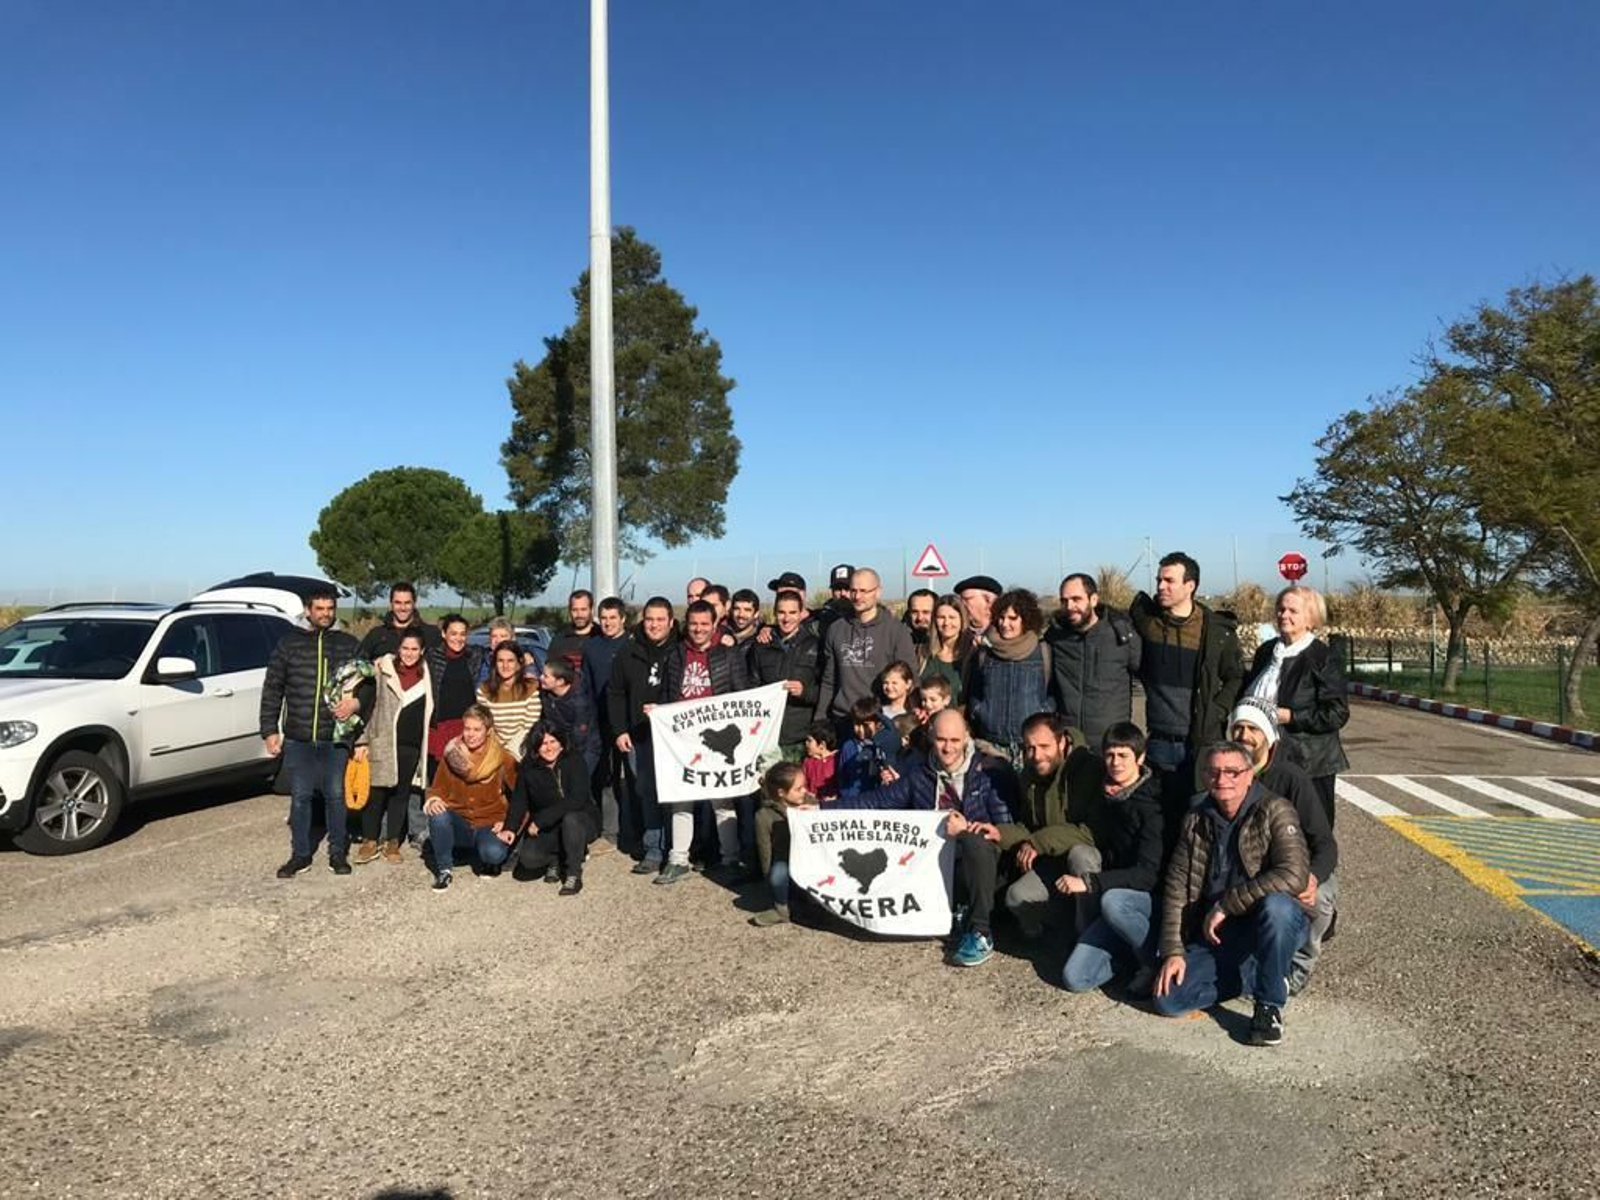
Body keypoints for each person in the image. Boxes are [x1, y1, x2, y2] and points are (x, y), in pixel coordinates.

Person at [827, 709, 1015, 968]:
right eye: (941, 740)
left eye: (954, 741)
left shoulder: (989, 773)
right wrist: (819, 809)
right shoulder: (921, 775)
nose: (947, 748)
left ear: (967, 738)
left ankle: (981, 932)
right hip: (943, 869)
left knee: (974, 842)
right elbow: (876, 802)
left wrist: (967, 828)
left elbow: (1007, 830)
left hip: (988, 867)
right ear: (930, 737)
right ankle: (956, 911)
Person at [1152, 741, 1309, 1047]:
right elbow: (1176, 888)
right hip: (1222, 935)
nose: (1222, 779)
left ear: (1250, 775)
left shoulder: (1275, 809)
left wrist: (1227, 903)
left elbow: (1294, 874)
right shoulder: (1197, 819)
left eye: (1233, 772)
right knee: (1168, 1001)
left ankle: (1269, 1005)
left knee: (1277, 907)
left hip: (1272, 924)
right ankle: (1264, 972)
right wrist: (1173, 950)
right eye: (1214, 772)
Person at [1227, 697, 1339, 997]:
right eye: (1238, 728)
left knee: (1320, 898)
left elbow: (1325, 844)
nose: (1244, 736)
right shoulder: (1225, 773)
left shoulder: (1292, 779)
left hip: (1293, 868)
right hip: (1247, 870)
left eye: (1254, 729)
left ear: (1269, 735)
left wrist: (1313, 876)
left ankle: (1299, 967)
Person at [261, 586, 365, 878]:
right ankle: (300, 854)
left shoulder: (348, 644)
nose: (325, 614)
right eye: (319, 609)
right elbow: (272, 688)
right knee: (301, 797)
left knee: (335, 795)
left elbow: (368, 685)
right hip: (299, 737)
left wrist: (356, 703)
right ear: (308, 611)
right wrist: (269, 730)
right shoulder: (289, 644)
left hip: (335, 737)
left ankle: (337, 854)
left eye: (330, 609)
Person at [1128, 552, 1244, 809]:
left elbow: (1235, 677)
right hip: (1158, 743)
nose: (1160, 586)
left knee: (1201, 824)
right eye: (1159, 580)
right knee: (1161, 825)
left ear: (1190, 586)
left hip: (1202, 744)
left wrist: (1218, 710)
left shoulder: (1216, 632)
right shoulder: (1147, 622)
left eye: (1169, 580)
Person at [1060, 723, 1167, 993]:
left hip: (1144, 901)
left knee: (1113, 902)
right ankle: (1126, 957)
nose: (1115, 763)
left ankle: (1153, 961)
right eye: (1110, 755)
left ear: (1140, 759)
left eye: (1123, 756)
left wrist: (1091, 882)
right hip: (1114, 895)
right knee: (1075, 979)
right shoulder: (1105, 793)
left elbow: (1147, 874)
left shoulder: (1153, 805)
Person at [656, 599, 750, 885]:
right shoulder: (675, 655)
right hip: (683, 741)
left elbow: (742, 696)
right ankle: (678, 860)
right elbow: (667, 694)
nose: (698, 629)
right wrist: (658, 713)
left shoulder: (729, 656)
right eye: (694, 624)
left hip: (717, 742)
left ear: (714, 625)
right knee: (680, 801)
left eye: (704, 624)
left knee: (722, 801)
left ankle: (730, 859)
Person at [1241, 584, 1350, 829]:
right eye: (1280, 609)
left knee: (1309, 828)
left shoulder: (1322, 657)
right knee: (1268, 826)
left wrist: (1291, 716)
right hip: (1265, 757)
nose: (1284, 615)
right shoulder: (1267, 652)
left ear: (1311, 618)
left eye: (1293, 610)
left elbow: (1337, 712)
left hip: (1309, 761)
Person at [997, 713, 1102, 938]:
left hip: (1092, 859)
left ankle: (1091, 935)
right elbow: (1030, 827)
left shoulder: (1088, 768)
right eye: (1030, 748)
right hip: (1054, 860)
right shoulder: (1030, 773)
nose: (1036, 755)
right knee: (1016, 897)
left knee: (1080, 855)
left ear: (1062, 742)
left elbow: (1088, 834)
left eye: (1044, 746)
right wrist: (998, 832)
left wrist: (1037, 843)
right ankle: (1066, 923)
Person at [352, 629, 433, 866]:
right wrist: (362, 740)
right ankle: (369, 840)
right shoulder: (382, 670)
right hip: (382, 741)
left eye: (414, 649)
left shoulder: (427, 675)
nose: (409, 653)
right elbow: (368, 707)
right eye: (405, 648)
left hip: (411, 745)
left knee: (401, 794)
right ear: (399, 649)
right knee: (376, 793)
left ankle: (393, 841)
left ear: (422, 651)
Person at [608, 597, 677, 874]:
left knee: (675, 794)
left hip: (675, 739)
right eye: (650, 619)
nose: (655, 625)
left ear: (671, 622)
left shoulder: (681, 650)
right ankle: (653, 848)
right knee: (646, 790)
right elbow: (615, 693)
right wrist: (620, 730)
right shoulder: (628, 651)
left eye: (661, 620)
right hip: (639, 736)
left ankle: (678, 848)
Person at [422, 704, 519, 892]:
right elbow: (437, 788)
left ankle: (489, 858)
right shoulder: (452, 753)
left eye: (477, 729)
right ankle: (444, 869)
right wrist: (433, 799)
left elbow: (522, 797)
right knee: (438, 814)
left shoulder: (502, 758)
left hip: (489, 822)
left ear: (488, 731)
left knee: (493, 853)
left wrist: (510, 823)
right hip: (460, 821)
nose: (471, 734)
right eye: (467, 729)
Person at [1043, 573, 1141, 752]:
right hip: (1070, 743)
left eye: (1076, 599)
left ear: (1094, 599)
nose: (1070, 606)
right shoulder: (1055, 637)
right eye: (1064, 601)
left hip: (1111, 744)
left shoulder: (1122, 636)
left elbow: (1147, 674)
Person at [814, 568, 919, 726]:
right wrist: (820, 719)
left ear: (877, 592)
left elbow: (910, 678)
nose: (857, 597)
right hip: (843, 718)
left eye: (864, 591)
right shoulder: (836, 629)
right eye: (853, 591)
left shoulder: (897, 631)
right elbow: (829, 679)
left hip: (880, 719)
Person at [505, 722, 597, 895]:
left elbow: (577, 799)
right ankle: (556, 859)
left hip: (581, 819)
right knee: (528, 860)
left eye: (553, 742)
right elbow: (520, 800)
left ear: (561, 743)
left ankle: (573, 873)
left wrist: (540, 820)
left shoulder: (574, 760)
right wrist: (510, 828)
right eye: (543, 744)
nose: (549, 748)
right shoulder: (528, 768)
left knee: (571, 819)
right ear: (536, 747)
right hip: (550, 826)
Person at [967, 588, 1052, 767]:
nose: (1005, 623)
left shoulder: (1042, 651)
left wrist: (1044, 711)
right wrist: (980, 711)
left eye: (1013, 618)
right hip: (991, 745)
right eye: (1002, 617)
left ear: (1026, 620)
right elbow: (974, 690)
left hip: (1029, 746)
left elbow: (1052, 691)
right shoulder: (985, 653)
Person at [747, 588, 821, 758]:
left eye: (792, 612)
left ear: (802, 613)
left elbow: (825, 689)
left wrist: (805, 692)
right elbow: (752, 687)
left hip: (800, 737)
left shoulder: (815, 645)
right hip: (767, 735)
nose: (786, 618)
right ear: (774, 613)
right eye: (781, 612)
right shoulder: (761, 646)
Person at [582, 597, 631, 852]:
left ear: (623, 619)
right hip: (599, 721)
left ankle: (635, 830)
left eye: (613, 618)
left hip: (629, 722)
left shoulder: (633, 644)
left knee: (633, 778)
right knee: (604, 777)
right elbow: (587, 685)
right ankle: (608, 830)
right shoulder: (591, 647)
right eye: (604, 618)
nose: (608, 622)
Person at [750, 761, 809, 927]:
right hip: (785, 860)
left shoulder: (810, 804)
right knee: (777, 874)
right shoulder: (764, 816)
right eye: (798, 789)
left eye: (804, 786)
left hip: (811, 859)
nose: (804, 791)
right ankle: (781, 908)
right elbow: (765, 849)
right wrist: (768, 878)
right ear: (782, 793)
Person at [425, 614, 485, 766]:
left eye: (462, 634)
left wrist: (529, 657)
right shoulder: (432, 656)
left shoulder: (475, 655)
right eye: (453, 633)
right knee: (439, 777)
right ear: (444, 634)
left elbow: (500, 653)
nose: (458, 638)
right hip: (440, 726)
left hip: (467, 726)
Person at [477, 643, 543, 759]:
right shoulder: (484, 690)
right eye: (500, 661)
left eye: (510, 661)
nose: (505, 666)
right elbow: (486, 725)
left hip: (521, 751)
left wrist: (510, 753)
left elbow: (529, 727)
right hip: (494, 751)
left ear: (519, 663)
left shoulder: (531, 688)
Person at [537, 658, 602, 774]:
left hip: (584, 748)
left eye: (545, 676)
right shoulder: (546, 692)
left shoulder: (579, 703)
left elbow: (579, 737)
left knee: (577, 782)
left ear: (560, 682)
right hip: (560, 744)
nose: (541, 678)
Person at [358, 581, 442, 660]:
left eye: (407, 603)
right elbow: (358, 662)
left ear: (414, 603)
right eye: (398, 603)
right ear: (391, 604)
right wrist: (374, 666)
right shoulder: (376, 635)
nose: (402, 608)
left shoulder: (431, 634)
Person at [837, 697, 903, 797]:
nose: (859, 729)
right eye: (856, 724)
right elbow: (842, 775)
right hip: (852, 801)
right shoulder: (848, 746)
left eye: (865, 725)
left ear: (879, 724)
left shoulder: (886, 745)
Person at [920, 594, 972, 704]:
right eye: (941, 618)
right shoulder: (922, 653)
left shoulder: (972, 654)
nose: (946, 623)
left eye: (952, 617)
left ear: (962, 620)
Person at [474, 617, 539, 685]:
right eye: (494, 636)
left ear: (512, 639)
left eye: (503, 636)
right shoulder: (480, 659)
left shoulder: (524, 660)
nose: (498, 640)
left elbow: (532, 686)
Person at [548, 590, 596, 673]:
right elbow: (551, 673)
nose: (579, 614)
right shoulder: (559, 640)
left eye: (583, 609)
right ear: (570, 611)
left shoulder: (602, 637)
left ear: (591, 610)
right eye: (575, 610)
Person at [953, 574, 1002, 646]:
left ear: (988, 601)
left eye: (967, 599)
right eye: (960, 600)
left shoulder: (1004, 631)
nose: (962, 604)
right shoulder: (957, 632)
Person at [801, 722, 840, 800]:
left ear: (822, 744)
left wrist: (835, 796)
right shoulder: (808, 762)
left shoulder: (837, 759)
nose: (806, 743)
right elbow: (803, 783)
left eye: (809, 741)